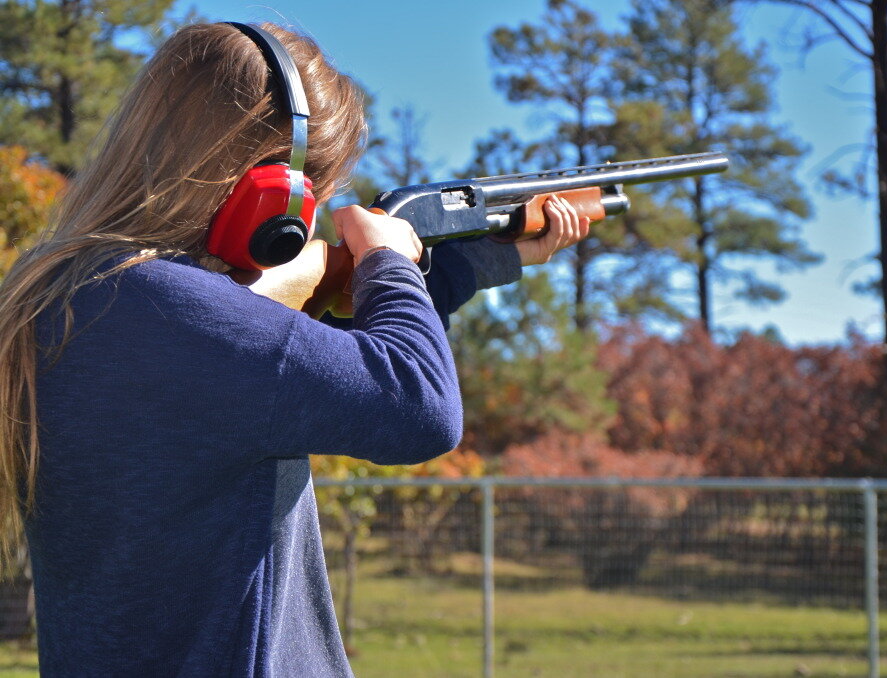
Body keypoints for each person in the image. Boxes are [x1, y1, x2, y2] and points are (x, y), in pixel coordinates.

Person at [0, 22, 589, 676]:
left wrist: (471, 263)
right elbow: (418, 407)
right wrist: (387, 259)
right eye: (313, 196)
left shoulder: (81, 298)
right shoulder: (170, 308)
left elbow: (319, 366)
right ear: (269, 194)